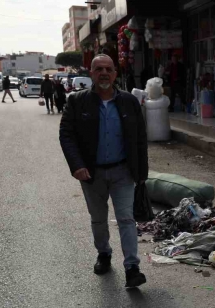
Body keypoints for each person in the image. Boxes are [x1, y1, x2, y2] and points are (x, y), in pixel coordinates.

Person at [59, 54, 149, 288]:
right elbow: (66, 136)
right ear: (91, 73)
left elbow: (140, 138)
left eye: (108, 69)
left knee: (126, 219)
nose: (104, 73)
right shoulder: (77, 101)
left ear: (115, 74)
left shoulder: (129, 102)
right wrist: (77, 166)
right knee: (98, 219)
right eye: (98, 69)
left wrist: (141, 173)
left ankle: (132, 267)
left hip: (122, 172)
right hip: (92, 174)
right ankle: (104, 254)